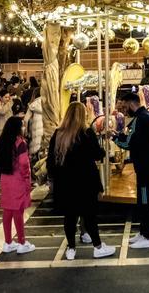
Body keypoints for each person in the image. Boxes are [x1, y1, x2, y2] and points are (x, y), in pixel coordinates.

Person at [47, 102, 115, 260]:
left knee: (69, 216)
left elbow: (51, 160)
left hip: (65, 183)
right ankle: (97, 246)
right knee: (89, 215)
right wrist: (103, 150)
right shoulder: (86, 133)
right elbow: (97, 154)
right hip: (85, 181)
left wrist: (52, 179)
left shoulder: (58, 134)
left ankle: (71, 248)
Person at [114, 90, 149, 249]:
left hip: (146, 168)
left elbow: (128, 143)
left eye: (125, 106)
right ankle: (143, 232)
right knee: (142, 200)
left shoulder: (140, 120)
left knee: (145, 201)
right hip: (148, 166)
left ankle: (147, 236)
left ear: (131, 103)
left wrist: (113, 137)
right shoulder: (148, 116)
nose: (124, 110)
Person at [0, 115, 35, 254]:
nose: (24, 127)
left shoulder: (3, 141)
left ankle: (8, 242)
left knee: (7, 211)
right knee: (18, 211)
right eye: (22, 125)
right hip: (18, 179)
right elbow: (24, 163)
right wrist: (27, 178)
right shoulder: (20, 143)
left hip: (5, 179)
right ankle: (22, 242)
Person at [22, 89, 44, 162]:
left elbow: (25, 120)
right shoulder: (47, 104)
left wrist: (25, 132)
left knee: (35, 154)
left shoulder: (33, 105)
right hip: (45, 132)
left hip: (35, 133)